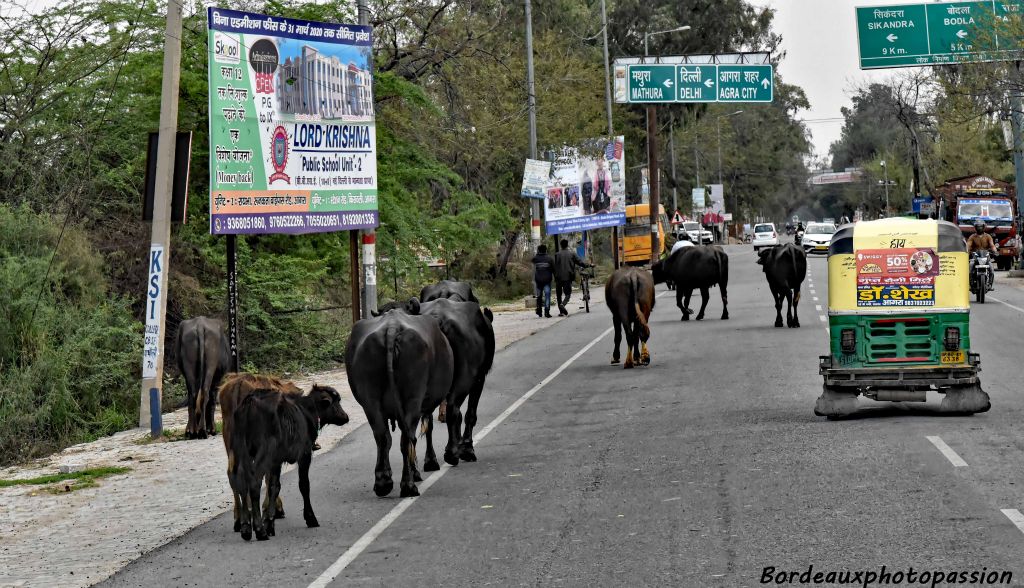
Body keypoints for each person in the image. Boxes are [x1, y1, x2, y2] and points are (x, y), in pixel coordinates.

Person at [554, 239, 590, 316]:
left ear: (561, 245)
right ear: (567, 245)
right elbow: (580, 262)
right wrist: (588, 265)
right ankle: (563, 305)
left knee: (559, 294)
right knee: (568, 294)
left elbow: (554, 266)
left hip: (558, 278)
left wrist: (555, 275)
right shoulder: (572, 254)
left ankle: (561, 311)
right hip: (568, 276)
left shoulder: (557, 254)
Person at [532, 244, 555, 318]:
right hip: (547, 280)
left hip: (538, 280)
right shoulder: (550, 259)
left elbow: (533, 261)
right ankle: (547, 312)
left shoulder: (536, 258)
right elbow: (553, 269)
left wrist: (537, 254)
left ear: (538, 250)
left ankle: (539, 311)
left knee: (539, 296)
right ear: (546, 250)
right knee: (547, 296)